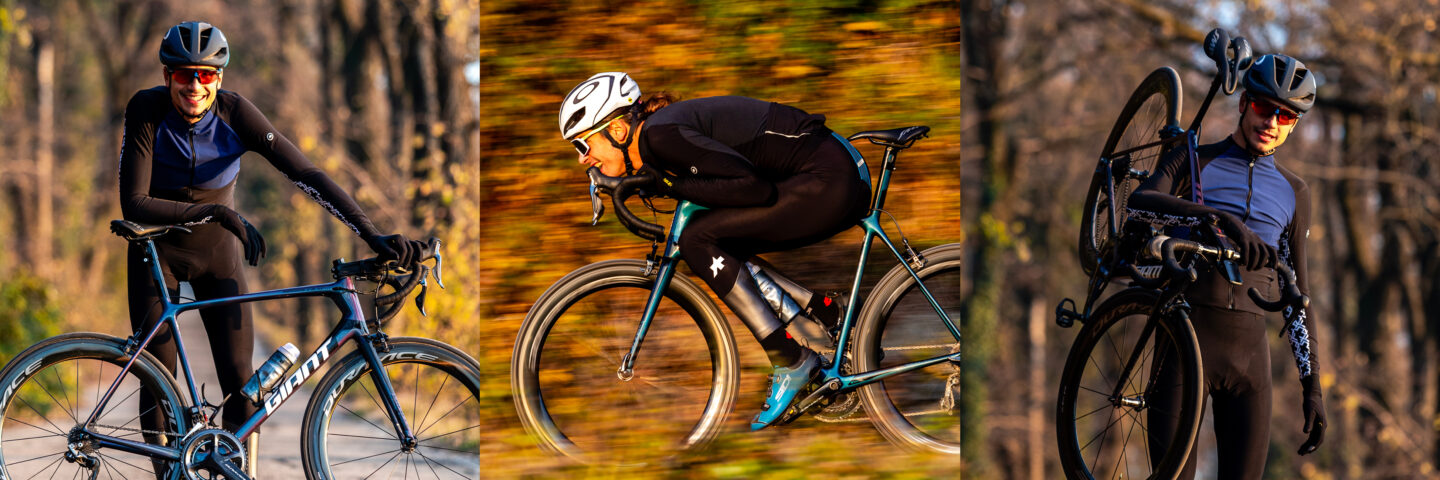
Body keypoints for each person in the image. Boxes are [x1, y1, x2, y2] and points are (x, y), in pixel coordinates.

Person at [119, 21, 426, 475]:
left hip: (217, 254)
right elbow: (135, 202)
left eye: (206, 75)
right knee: (158, 380)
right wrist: (216, 213)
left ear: (219, 78)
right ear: (167, 76)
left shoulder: (237, 114)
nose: (195, 85)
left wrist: (372, 234)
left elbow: (307, 174)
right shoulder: (145, 109)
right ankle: (167, 471)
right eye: (184, 74)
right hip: (154, 253)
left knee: (242, 386)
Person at [559, 72, 871, 430]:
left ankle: (790, 360)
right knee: (712, 234)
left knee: (698, 239)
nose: (583, 159)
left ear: (617, 131)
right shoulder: (658, 136)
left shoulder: (659, 136)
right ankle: (829, 313)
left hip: (830, 179)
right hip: (831, 170)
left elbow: (752, 189)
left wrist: (665, 183)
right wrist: (657, 183)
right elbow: (722, 184)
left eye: (583, 146)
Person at [1126, 54, 1325, 478]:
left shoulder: (1295, 192)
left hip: (1251, 363)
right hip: (1183, 342)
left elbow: (1297, 299)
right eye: (1263, 107)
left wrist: (1313, 388)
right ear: (1242, 104)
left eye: (1286, 116)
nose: (1272, 121)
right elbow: (1139, 204)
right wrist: (1219, 219)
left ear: (1293, 125)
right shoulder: (1194, 159)